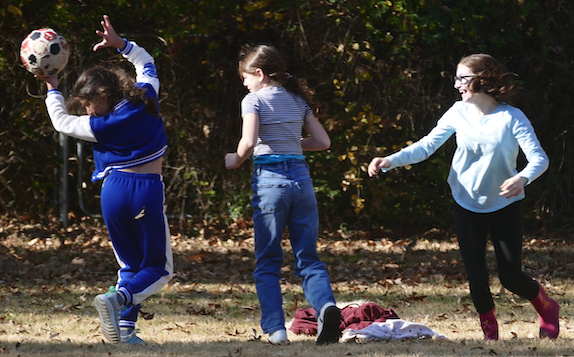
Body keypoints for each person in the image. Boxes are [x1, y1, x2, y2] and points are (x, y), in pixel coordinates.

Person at [368, 54, 559, 341]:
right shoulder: (457, 112)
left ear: (481, 80)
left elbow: (539, 159)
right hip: (466, 203)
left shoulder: (511, 117)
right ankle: (490, 331)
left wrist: (522, 177)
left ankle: (547, 306)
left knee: (511, 277)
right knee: (476, 275)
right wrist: (390, 160)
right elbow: (425, 147)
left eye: (462, 78)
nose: (456, 85)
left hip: (505, 206)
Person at [37, 15, 173, 345]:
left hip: (112, 193)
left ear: (102, 93)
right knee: (159, 269)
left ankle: (124, 332)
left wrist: (53, 90)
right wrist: (122, 45)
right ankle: (118, 299)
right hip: (144, 190)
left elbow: (61, 123)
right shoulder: (146, 98)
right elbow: (147, 63)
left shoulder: (100, 126)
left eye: (87, 103)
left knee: (129, 263)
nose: (86, 111)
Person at [225, 44, 341, 345]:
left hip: (270, 183)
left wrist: (235, 160)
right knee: (309, 258)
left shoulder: (253, 100)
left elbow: (248, 142)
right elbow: (322, 141)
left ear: (260, 74)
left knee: (267, 261)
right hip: (302, 180)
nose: (244, 83)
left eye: (246, 77)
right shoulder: (297, 100)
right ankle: (327, 307)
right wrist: (290, 141)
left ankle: (277, 331)